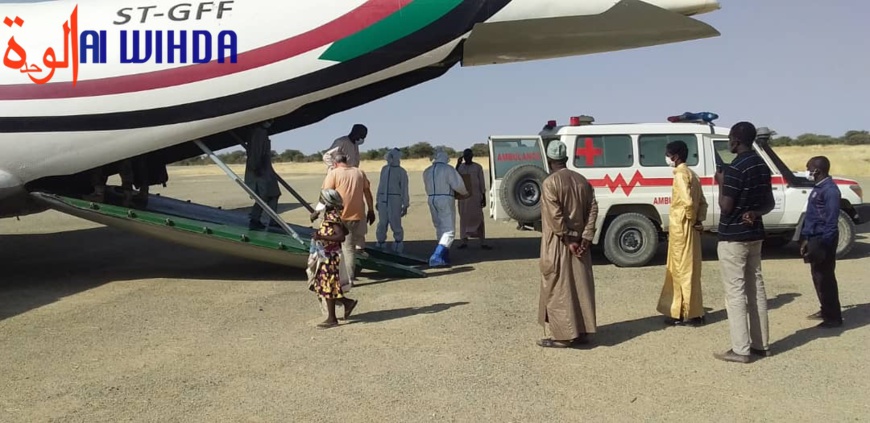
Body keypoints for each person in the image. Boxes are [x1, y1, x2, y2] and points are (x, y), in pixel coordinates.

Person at [713, 121, 776, 363]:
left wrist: (721, 182)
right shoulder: (761, 165)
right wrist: (755, 213)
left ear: (735, 140)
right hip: (755, 235)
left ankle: (741, 349)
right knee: (757, 289)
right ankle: (762, 345)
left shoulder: (735, 168)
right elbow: (769, 203)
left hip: (733, 237)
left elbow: (726, 207)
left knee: (735, 292)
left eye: (730, 138)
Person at [536, 140, 599, 348]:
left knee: (558, 288)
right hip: (580, 244)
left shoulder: (550, 183)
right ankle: (582, 331)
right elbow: (593, 210)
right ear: (566, 159)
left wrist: (568, 238)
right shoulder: (582, 181)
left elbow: (555, 216)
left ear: (550, 160)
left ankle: (562, 336)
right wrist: (586, 237)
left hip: (559, 244)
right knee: (580, 286)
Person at [657, 141, 708, 326]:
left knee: (680, 270)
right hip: (691, 229)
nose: (667, 158)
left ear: (675, 156)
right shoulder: (693, 175)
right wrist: (698, 221)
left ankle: (684, 312)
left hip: (682, 228)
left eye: (668, 154)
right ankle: (690, 310)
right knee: (691, 269)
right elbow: (702, 202)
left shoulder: (680, 175)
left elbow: (688, 202)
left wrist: (690, 219)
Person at [799, 156, 843, 328]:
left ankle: (833, 317)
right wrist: (805, 239)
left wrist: (824, 245)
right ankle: (825, 309)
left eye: (808, 168)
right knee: (817, 276)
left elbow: (831, 222)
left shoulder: (830, 191)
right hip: (813, 237)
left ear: (817, 170)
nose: (807, 171)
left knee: (825, 278)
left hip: (823, 238)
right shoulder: (818, 188)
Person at [322, 153, 376, 285]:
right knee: (349, 247)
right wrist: (371, 210)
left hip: (338, 216)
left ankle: (336, 276)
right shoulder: (359, 172)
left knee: (333, 246)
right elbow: (367, 192)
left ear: (335, 163)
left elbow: (325, 194)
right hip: (356, 215)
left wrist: (317, 212)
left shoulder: (334, 174)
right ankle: (350, 278)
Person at [308, 189, 359, 329]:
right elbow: (345, 230)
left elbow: (341, 236)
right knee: (327, 284)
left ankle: (332, 318)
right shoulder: (332, 215)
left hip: (330, 257)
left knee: (328, 285)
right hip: (328, 255)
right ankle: (347, 303)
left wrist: (321, 237)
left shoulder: (332, 217)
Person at [423, 149, 468, 267]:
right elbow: (457, 184)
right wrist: (465, 192)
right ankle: (437, 256)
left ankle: (444, 255)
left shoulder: (427, 171)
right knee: (449, 230)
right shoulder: (448, 169)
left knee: (439, 226)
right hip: (445, 198)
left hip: (431, 198)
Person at [244, 120, 281, 230]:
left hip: (265, 169)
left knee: (273, 194)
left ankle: (270, 220)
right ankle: (255, 220)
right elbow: (256, 153)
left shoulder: (261, 133)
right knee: (263, 196)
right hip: (259, 170)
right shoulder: (258, 133)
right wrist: (256, 168)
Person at [456, 148, 492, 250]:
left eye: (469, 156)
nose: (467, 158)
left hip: (476, 198)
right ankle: (464, 241)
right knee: (463, 220)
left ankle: (482, 242)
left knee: (479, 219)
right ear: (463, 157)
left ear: (472, 156)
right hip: (463, 199)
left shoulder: (477, 167)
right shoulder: (460, 167)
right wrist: (458, 164)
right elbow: (454, 177)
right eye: (465, 156)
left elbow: (481, 182)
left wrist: (484, 197)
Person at [375, 148, 410, 253]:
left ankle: (398, 242)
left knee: (395, 221)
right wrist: (378, 199)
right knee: (382, 222)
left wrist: (405, 204)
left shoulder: (401, 171)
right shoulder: (384, 169)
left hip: (395, 199)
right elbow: (380, 185)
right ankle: (380, 242)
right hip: (383, 199)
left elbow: (404, 188)